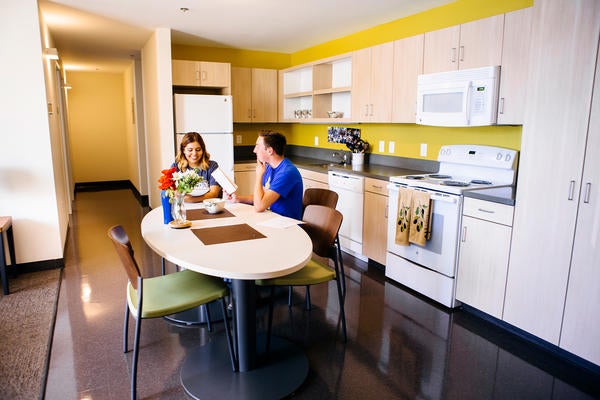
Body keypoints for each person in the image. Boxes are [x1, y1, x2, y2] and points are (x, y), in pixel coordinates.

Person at [226, 131, 303, 220]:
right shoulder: (270, 167)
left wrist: (259, 176)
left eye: (258, 146)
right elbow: (261, 197)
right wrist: (238, 199)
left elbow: (259, 206)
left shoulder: (286, 173)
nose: (254, 150)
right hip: (272, 219)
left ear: (270, 151)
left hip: (287, 225)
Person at [173, 132, 221, 203]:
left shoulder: (212, 166)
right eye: (190, 150)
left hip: (208, 207)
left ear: (203, 150)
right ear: (183, 150)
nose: (194, 153)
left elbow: (214, 193)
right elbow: (172, 192)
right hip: (184, 207)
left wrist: (191, 200)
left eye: (198, 149)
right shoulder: (175, 167)